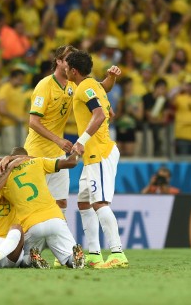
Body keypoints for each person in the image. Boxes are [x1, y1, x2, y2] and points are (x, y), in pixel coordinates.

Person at [23, 45, 120, 217]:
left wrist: (110, 78)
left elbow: (101, 88)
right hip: (36, 152)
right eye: (67, 59)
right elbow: (33, 122)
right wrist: (59, 140)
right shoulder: (44, 85)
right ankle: (29, 243)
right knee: (33, 202)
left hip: (58, 152)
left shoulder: (73, 84)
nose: (71, 63)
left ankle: (59, 243)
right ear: (59, 61)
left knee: (61, 201)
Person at [65, 49, 129, 269]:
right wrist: (111, 78)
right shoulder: (93, 85)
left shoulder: (85, 87)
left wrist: (81, 140)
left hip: (99, 152)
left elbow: (100, 114)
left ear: (73, 71)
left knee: (100, 203)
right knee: (84, 201)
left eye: (66, 66)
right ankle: (93, 253)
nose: (64, 69)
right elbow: (104, 94)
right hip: (95, 153)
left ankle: (117, 253)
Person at [0, 153, 86, 269]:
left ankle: (32, 258)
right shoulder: (38, 162)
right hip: (55, 218)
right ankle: (74, 257)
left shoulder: (2, 183)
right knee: (68, 258)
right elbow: (71, 162)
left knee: (25, 262)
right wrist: (77, 152)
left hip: (31, 225)